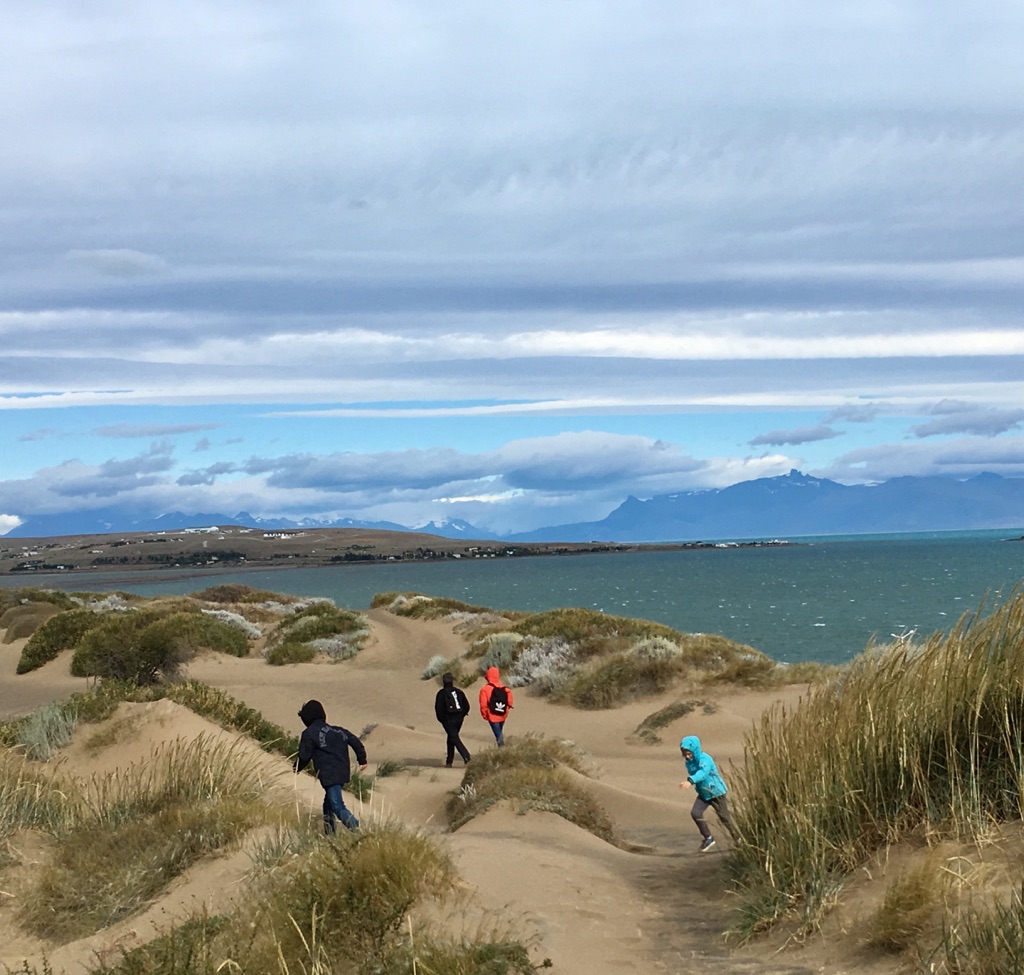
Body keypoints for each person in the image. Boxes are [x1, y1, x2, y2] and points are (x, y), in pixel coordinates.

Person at [296, 699, 368, 834]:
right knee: (328, 805)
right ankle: (330, 835)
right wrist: (362, 759)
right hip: (343, 772)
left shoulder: (309, 733)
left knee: (337, 805)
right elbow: (355, 742)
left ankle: (358, 830)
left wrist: (296, 768)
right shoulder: (338, 731)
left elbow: (304, 755)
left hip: (329, 774)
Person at [678, 734, 738, 852]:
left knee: (724, 817)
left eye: (689, 753)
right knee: (695, 813)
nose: (687, 756)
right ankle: (708, 838)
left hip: (716, 793)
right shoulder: (689, 763)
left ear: (695, 750)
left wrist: (690, 781)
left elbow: (703, 773)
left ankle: (738, 839)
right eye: (685, 754)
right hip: (704, 794)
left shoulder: (705, 759)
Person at [434, 672, 472, 767]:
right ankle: (449, 761)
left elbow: (439, 709)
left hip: (448, 720)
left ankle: (466, 757)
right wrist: (462, 715)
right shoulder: (459, 692)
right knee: (451, 738)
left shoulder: (441, 693)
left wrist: (442, 720)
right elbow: (466, 706)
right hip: (459, 719)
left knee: (454, 738)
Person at [479, 665, 513, 746]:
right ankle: (502, 749)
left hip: (492, 715)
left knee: (499, 736)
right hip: (502, 714)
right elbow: (510, 702)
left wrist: (485, 715)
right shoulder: (505, 689)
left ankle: (503, 750)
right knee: (499, 734)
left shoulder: (485, 689)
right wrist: (506, 711)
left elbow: (483, 704)